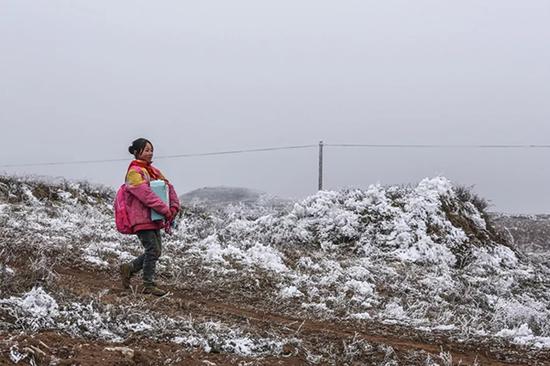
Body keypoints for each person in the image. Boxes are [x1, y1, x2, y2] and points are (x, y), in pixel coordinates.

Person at [119, 138, 180, 296]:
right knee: (152, 249)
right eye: (146, 150)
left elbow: (168, 187)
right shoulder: (134, 173)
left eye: (151, 149)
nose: (150, 152)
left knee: (156, 251)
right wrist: (165, 209)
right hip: (141, 217)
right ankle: (148, 284)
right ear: (137, 152)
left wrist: (174, 206)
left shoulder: (153, 171)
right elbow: (146, 195)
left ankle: (130, 268)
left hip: (154, 217)